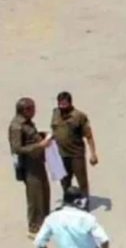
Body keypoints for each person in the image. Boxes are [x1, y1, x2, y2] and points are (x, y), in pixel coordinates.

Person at [7, 97, 51, 239]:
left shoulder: (27, 122)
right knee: (35, 196)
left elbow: (30, 137)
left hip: (38, 162)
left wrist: (42, 136)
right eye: (32, 108)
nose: (34, 111)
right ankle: (34, 227)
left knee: (44, 191)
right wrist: (40, 145)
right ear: (25, 110)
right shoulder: (17, 126)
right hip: (29, 166)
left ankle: (45, 222)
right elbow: (17, 148)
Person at [51, 92, 98, 202]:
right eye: (60, 104)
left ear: (70, 103)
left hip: (76, 154)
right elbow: (55, 130)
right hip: (61, 154)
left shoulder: (79, 116)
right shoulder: (55, 113)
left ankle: (84, 202)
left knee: (82, 180)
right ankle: (67, 201)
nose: (62, 107)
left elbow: (89, 136)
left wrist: (93, 154)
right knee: (64, 180)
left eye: (64, 104)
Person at [33, 186, 110, 248]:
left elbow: (38, 242)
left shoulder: (51, 218)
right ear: (77, 202)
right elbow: (104, 240)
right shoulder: (87, 218)